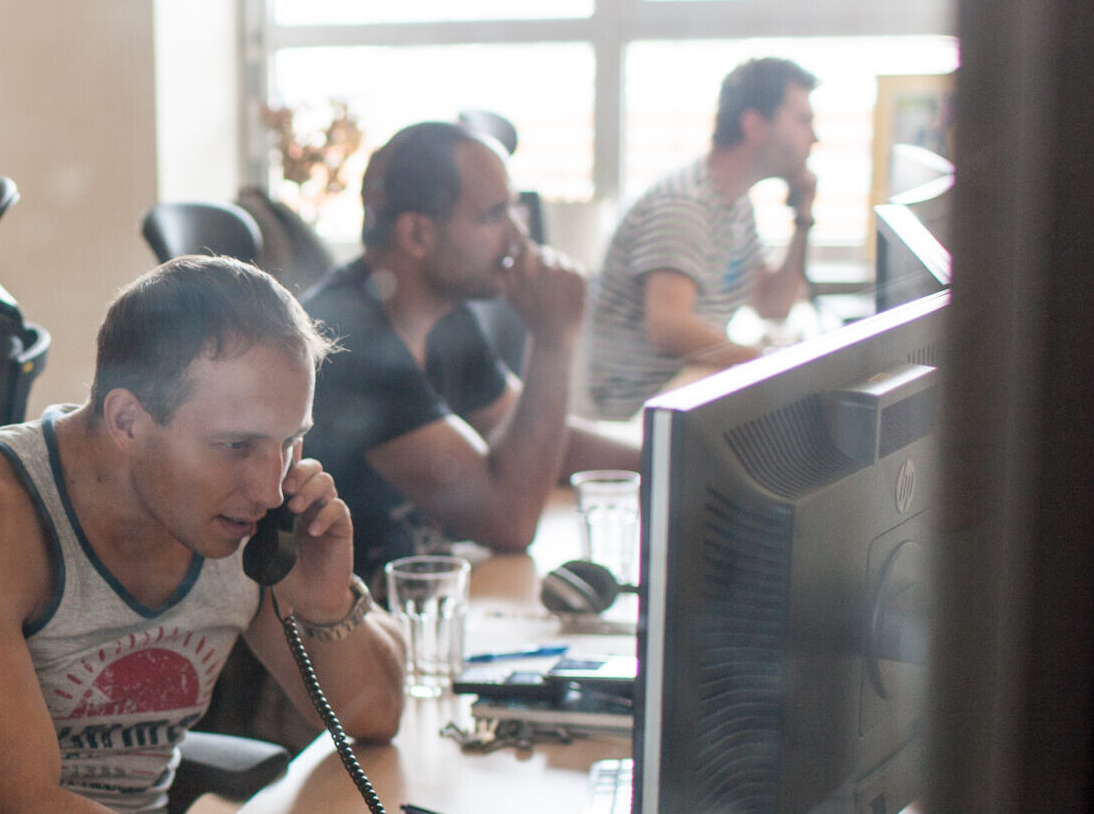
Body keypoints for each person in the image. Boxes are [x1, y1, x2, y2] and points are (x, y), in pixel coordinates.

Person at [0, 256, 468, 814]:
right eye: (238, 445)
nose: (269, 485)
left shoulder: (239, 514)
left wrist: (323, 599)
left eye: (290, 442)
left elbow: (371, 715)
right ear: (126, 420)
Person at [301, 120, 640, 584]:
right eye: (494, 215)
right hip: (360, 631)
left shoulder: (442, 316)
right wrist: (553, 341)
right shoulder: (349, 343)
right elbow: (510, 521)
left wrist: (667, 455)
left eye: (516, 209)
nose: (519, 235)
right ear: (418, 234)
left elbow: (539, 434)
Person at [584, 57, 820, 420]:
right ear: (755, 125)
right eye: (803, 120)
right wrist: (764, 363)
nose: (814, 137)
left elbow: (772, 305)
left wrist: (803, 219)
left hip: (689, 386)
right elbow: (668, 326)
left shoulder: (736, 204)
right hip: (642, 410)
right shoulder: (686, 204)